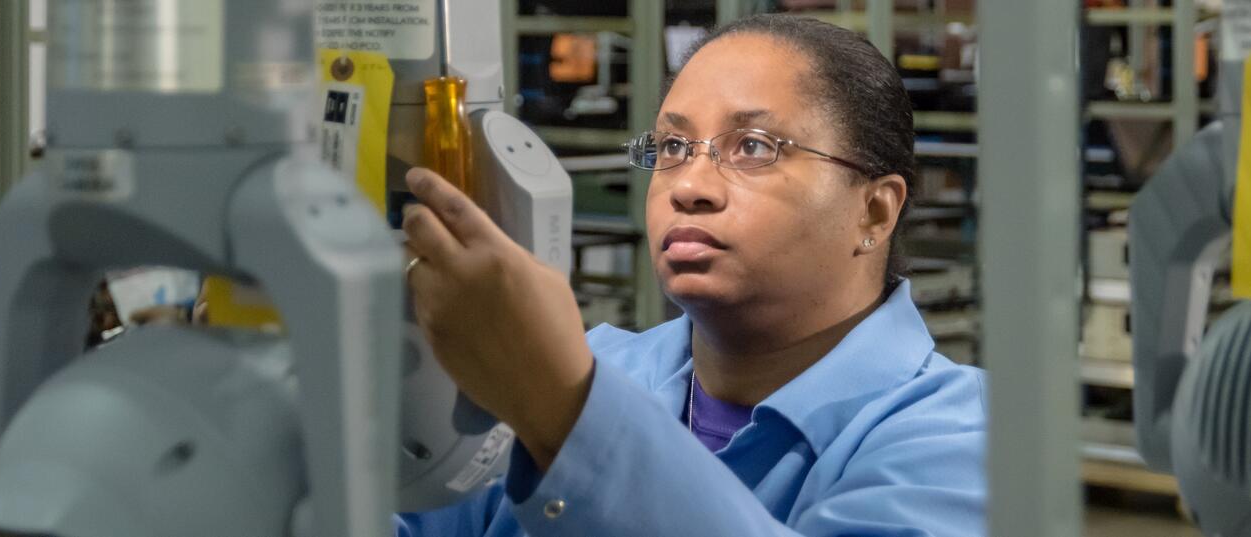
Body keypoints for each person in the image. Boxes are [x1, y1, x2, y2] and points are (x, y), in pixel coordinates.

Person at [396, 14, 986, 536]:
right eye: (673, 146)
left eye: (753, 147)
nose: (690, 187)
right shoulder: (595, 363)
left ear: (874, 210)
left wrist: (561, 411)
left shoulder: (960, 440)